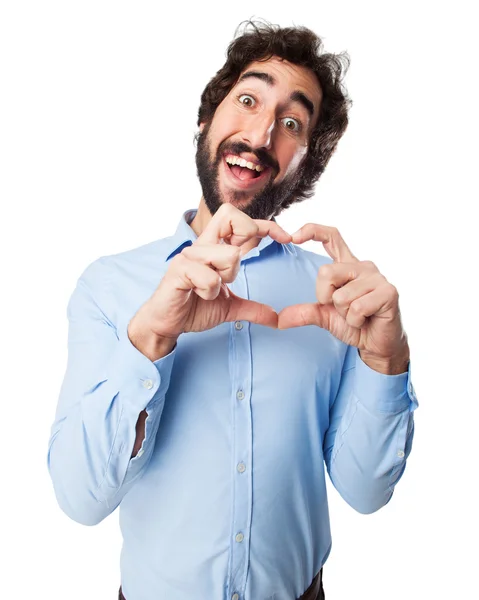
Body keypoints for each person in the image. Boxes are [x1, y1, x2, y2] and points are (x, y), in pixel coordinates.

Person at [47, 20, 418, 600]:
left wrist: (386, 360)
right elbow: (79, 497)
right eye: (248, 99)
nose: (263, 132)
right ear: (206, 118)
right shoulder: (110, 287)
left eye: (292, 122)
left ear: (307, 164)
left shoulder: (337, 299)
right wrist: (151, 338)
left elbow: (367, 491)